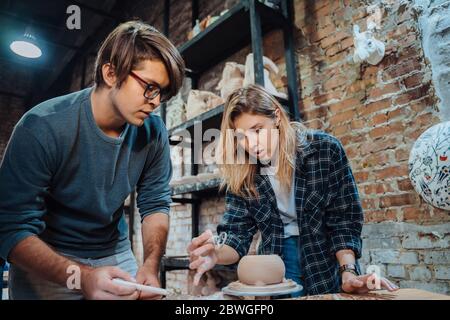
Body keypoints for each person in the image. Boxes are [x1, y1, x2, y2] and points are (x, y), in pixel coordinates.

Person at [0, 20, 185, 300]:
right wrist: (81, 277)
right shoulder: (41, 127)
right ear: (110, 73)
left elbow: (156, 203)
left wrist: (150, 264)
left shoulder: (154, 132)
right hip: (49, 257)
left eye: (162, 92)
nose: (156, 101)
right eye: (149, 87)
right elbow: (10, 227)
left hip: (113, 251)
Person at [188, 85, 399, 296]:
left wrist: (348, 272)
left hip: (324, 255)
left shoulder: (325, 150)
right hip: (277, 260)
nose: (251, 144)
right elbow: (237, 235)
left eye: (257, 130)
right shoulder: (243, 172)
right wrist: (215, 254)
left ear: (277, 117)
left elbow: (344, 221)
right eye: (242, 136)